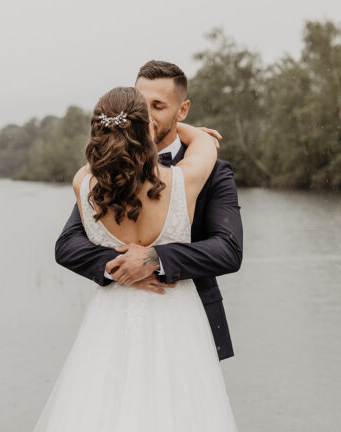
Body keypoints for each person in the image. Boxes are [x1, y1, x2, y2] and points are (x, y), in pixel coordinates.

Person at [33, 86, 237, 430]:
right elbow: (205, 144)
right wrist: (187, 128)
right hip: (178, 318)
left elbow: (229, 250)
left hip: (109, 322)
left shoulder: (83, 183)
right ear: (147, 130)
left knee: (103, 411)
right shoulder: (184, 180)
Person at [54, 61, 243, 361]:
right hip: (116, 327)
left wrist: (156, 260)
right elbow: (68, 245)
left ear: (182, 110)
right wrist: (120, 267)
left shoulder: (214, 173)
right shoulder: (106, 177)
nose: (148, 116)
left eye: (158, 106)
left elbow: (228, 250)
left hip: (191, 327)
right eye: (143, 106)